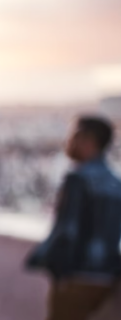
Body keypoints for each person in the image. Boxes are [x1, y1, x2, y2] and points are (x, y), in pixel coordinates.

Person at [26, 115, 121, 320]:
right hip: (106, 277)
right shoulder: (115, 182)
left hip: (76, 276)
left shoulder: (78, 179)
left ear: (87, 140)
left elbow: (67, 231)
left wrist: (48, 263)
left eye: (73, 135)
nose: (68, 141)